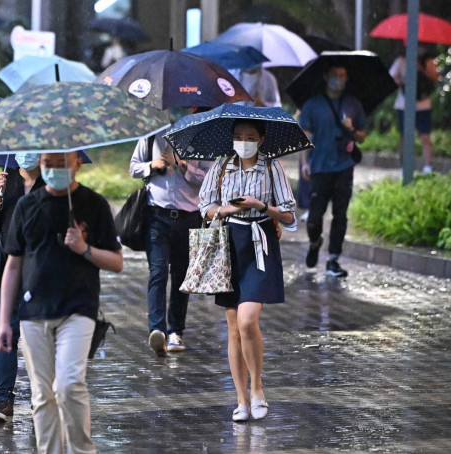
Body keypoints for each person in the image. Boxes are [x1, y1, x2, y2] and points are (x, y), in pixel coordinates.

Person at [0, 151, 122, 453]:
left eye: (61, 163)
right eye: (48, 163)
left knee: (68, 384)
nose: (54, 169)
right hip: (33, 312)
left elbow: (116, 262)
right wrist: (3, 322)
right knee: (42, 396)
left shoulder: (94, 205)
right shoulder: (27, 206)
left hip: (78, 309)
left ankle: (82, 449)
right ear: (40, 163)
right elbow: (13, 266)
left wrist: (84, 248)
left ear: (77, 163)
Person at [199, 118, 296, 422]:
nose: (244, 141)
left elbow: (290, 215)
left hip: (260, 244)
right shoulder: (221, 165)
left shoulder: (271, 167)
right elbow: (206, 207)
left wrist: (261, 206)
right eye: (239, 136)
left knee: (247, 319)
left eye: (250, 136)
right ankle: (241, 399)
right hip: (229, 245)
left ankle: (258, 389)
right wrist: (229, 208)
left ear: (262, 139)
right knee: (233, 327)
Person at [130, 115, 211, 356]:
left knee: (181, 276)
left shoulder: (201, 139)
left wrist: (185, 166)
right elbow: (133, 167)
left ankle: (176, 331)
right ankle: (157, 330)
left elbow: (209, 180)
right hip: (156, 216)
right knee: (157, 272)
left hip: (189, 218)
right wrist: (153, 165)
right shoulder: (149, 135)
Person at [0, 153, 45, 424]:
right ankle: (3, 400)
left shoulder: (51, 185)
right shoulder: (7, 182)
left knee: (37, 334)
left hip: (39, 271)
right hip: (4, 270)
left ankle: (39, 400)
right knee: (6, 331)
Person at [299, 62, 367, 278]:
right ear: (326, 77)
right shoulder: (312, 105)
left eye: (343, 75)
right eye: (335, 74)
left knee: (341, 215)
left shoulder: (353, 104)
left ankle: (333, 259)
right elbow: (305, 136)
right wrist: (305, 163)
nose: (339, 78)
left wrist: (351, 129)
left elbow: (362, 137)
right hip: (319, 167)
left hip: (344, 167)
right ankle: (314, 242)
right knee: (314, 218)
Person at [390, 51, 440, 174]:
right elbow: (390, 78)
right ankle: (404, 168)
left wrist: (424, 70)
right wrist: (401, 80)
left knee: (425, 136)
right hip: (404, 105)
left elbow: (436, 77)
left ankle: (427, 168)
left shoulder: (428, 62)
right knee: (405, 137)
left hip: (423, 105)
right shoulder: (401, 61)